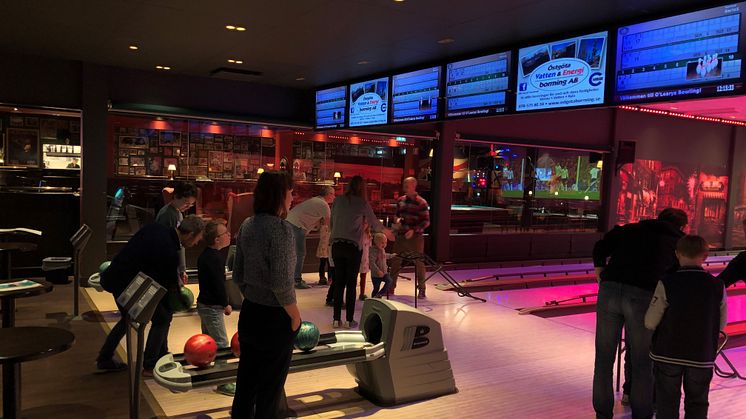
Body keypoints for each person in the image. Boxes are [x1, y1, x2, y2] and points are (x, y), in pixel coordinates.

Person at [592, 208, 688, 419]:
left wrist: (600, 270)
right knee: (643, 361)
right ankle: (642, 414)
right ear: (681, 226)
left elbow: (600, 246)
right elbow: (675, 278)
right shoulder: (678, 241)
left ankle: (602, 414)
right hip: (643, 296)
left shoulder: (631, 229)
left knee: (603, 359)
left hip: (609, 291)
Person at [231, 171, 301, 418]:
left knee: (246, 383)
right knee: (270, 389)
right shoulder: (281, 230)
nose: (293, 197)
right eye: (290, 192)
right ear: (280, 195)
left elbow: (237, 274)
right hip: (275, 318)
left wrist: (253, 295)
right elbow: (282, 283)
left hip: (250, 313)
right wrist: (295, 316)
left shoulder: (248, 225)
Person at [96, 215, 205, 373]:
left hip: (116, 276)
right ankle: (151, 362)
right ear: (190, 234)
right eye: (197, 239)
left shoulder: (155, 228)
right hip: (126, 284)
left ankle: (109, 358)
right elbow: (167, 286)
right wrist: (181, 297)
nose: (196, 244)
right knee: (162, 318)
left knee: (131, 318)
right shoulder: (169, 250)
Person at [644, 235, 728, 419]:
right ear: (705, 256)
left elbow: (650, 321)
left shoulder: (667, 283)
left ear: (677, 254)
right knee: (697, 402)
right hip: (701, 355)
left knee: (667, 401)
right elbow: (721, 324)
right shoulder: (718, 286)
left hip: (667, 354)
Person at [330, 176, 394, 328]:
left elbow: (332, 222)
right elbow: (374, 223)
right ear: (362, 188)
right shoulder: (362, 203)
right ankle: (349, 320)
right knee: (351, 284)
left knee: (339, 282)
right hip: (352, 246)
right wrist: (387, 232)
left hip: (336, 245)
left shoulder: (338, 200)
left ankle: (335, 319)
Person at [196, 220, 235, 396]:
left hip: (204, 304)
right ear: (217, 239)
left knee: (207, 341)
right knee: (221, 344)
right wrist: (225, 303)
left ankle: (208, 372)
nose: (228, 235)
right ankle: (223, 382)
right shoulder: (215, 258)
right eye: (225, 233)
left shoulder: (205, 255)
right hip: (212, 307)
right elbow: (218, 284)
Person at [388, 177, 430, 298]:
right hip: (401, 236)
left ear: (414, 185)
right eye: (404, 183)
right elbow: (396, 215)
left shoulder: (421, 202)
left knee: (418, 262)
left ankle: (422, 289)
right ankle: (391, 287)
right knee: (396, 261)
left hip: (415, 238)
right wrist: (396, 220)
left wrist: (413, 230)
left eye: (408, 183)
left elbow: (426, 222)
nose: (405, 185)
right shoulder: (401, 200)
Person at [287, 186, 335, 289]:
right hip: (297, 225)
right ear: (327, 194)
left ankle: (293, 278)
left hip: (292, 223)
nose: (334, 196)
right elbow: (329, 225)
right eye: (332, 194)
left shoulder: (316, 201)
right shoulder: (323, 205)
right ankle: (297, 280)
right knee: (300, 253)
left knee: (294, 253)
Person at [157, 181, 199, 282]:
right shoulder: (167, 214)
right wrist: (178, 270)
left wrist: (182, 269)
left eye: (191, 205)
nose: (188, 207)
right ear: (176, 196)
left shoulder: (177, 212)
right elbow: (169, 247)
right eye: (186, 203)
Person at [369, 232, 395, 298]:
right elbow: (372, 263)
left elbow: (384, 256)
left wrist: (392, 255)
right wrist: (378, 271)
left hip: (384, 273)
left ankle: (380, 294)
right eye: (382, 243)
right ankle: (374, 299)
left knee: (389, 280)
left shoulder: (382, 249)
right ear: (376, 242)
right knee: (376, 288)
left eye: (385, 242)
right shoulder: (373, 251)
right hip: (376, 275)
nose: (384, 244)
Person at [358, 220, 372, 300]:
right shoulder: (356, 234)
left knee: (363, 276)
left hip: (365, 258)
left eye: (366, 223)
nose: (364, 225)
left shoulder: (368, 235)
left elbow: (369, 248)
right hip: (357, 257)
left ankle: (362, 293)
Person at [317, 220, 331, 285]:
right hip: (323, 246)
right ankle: (322, 278)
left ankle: (330, 278)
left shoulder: (330, 225)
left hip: (329, 246)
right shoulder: (321, 225)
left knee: (330, 263)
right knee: (322, 263)